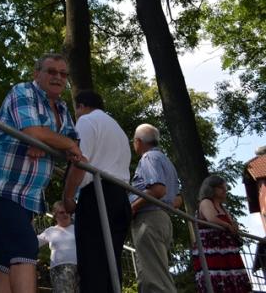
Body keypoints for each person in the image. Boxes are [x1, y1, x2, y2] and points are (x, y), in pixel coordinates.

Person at [0, 53, 83, 293]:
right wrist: (44, 137)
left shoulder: (62, 108)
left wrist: (47, 140)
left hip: (27, 195)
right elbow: (34, 132)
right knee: (25, 245)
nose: (58, 77)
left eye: (63, 74)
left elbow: (74, 146)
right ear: (37, 73)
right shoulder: (23, 91)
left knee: (4, 256)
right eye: (51, 71)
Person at [62, 90, 131, 293]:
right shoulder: (118, 129)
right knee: (111, 264)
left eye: (76, 109)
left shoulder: (86, 121)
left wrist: (68, 196)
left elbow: (80, 160)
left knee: (92, 263)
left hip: (97, 195)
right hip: (121, 196)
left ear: (81, 106)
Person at [128, 123, 179, 293]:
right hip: (162, 219)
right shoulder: (166, 161)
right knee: (156, 274)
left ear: (138, 141)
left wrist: (132, 207)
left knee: (154, 280)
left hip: (148, 219)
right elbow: (177, 199)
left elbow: (158, 189)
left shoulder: (148, 158)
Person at [192, 175, 252, 292]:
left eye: (225, 187)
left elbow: (232, 224)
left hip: (226, 250)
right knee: (216, 280)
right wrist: (228, 226)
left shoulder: (222, 207)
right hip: (211, 250)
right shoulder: (206, 202)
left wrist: (234, 226)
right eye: (221, 187)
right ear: (211, 188)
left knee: (232, 279)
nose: (225, 190)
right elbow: (211, 218)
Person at [37, 201, 78, 293]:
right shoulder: (50, 231)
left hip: (80, 268)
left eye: (67, 212)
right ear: (55, 215)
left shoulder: (77, 229)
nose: (65, 214)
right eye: (61, 212)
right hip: (59, 269)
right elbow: (34, 243)